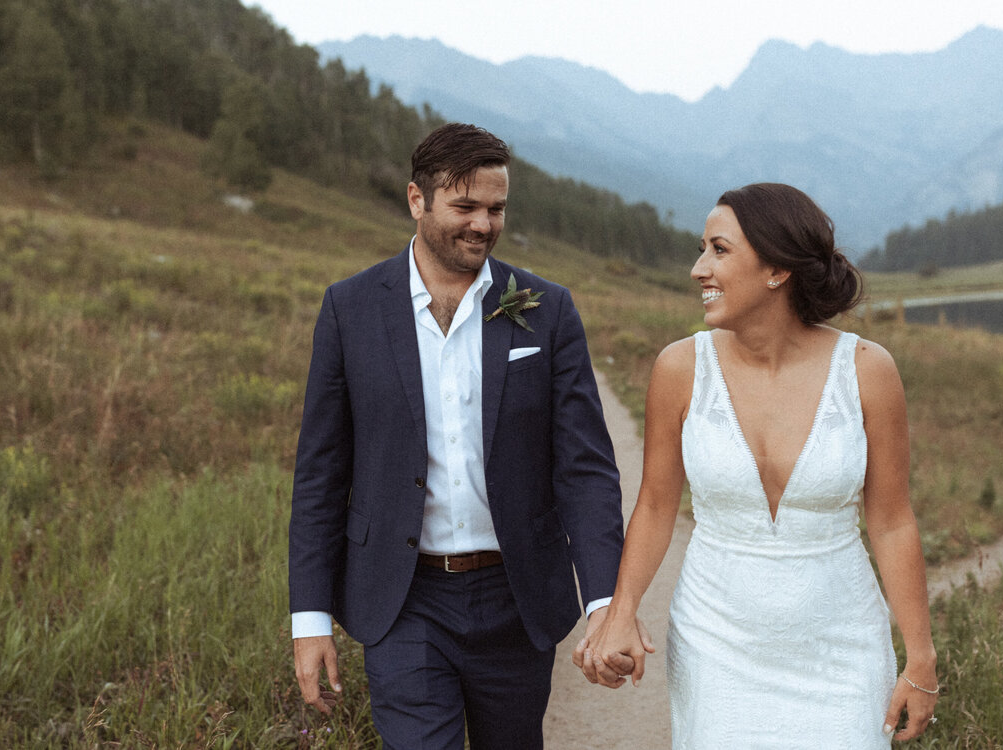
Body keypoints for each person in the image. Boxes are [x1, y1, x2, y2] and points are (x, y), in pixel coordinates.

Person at [288, 122, 625, 749]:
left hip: (516, 596)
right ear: (417, 200)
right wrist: (309, 619)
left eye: (496, 209)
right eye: (464, 206)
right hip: (403, 597)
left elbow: (586, 471)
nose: (482, 224)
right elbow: (320, 475)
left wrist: (605, 602)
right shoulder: (350, 308)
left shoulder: (546, 309)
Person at [579, 183, 938, 747]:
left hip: (841, 645)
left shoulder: (867, 371)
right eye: (702, 249)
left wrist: (921, 658)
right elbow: (653, 506)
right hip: (715, 641)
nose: (699, 269)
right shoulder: (680, 368)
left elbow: (892, 521)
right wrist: (621, 611)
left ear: (777, 269)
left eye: (718, 250)